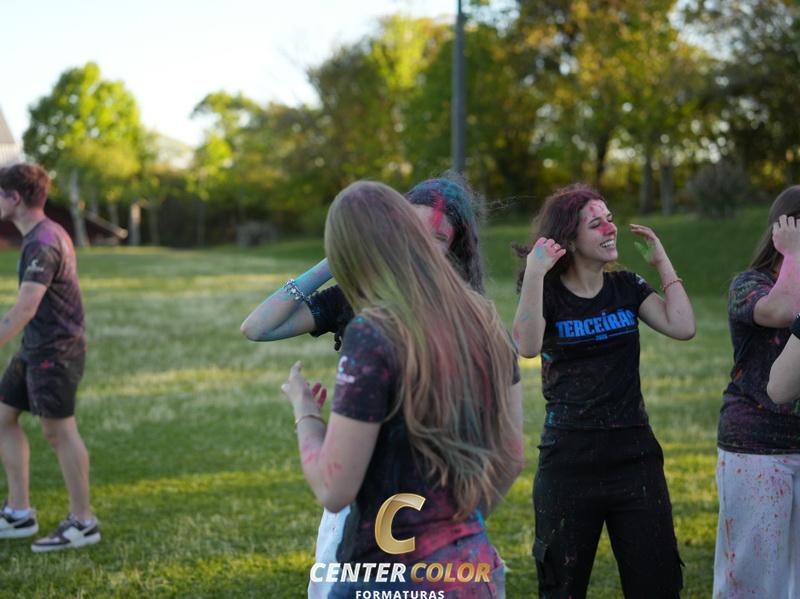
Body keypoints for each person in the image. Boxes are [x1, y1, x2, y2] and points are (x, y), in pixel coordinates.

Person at [240, 174, 487, 598]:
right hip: (357, 493)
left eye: (437, 238)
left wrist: (305, 412)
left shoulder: (468, 313)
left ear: (455, 248)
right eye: (409, 230)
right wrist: (337, 260)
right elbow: (258, 327)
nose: (418, 245)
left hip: (436, 505)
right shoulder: (359, 295)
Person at [512, 183, 694, 598]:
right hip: (568, 462)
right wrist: (536, 273)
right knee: (561, 587)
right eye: (596, 224)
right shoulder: (550, 294)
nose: (611, 229)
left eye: (609, 219)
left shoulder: (626, 287)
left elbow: (683, 326)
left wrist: (662, 261)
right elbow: (526, 345)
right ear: (571, 239)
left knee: (657, 584)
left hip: (635, 459)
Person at [0, 163, 99, 552]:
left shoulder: (43, 241)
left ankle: (83, 522)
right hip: (35, 347)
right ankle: (19, 512)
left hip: (56, 350)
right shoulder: (44, 233)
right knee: (2, 417)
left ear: (14, 198)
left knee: (59, 432)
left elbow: (25, 308)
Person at [715, 187, 800, 598]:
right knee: (752, 576)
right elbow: (781, 311)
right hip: (756, 446)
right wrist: (795, 256)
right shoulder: (749, 284)